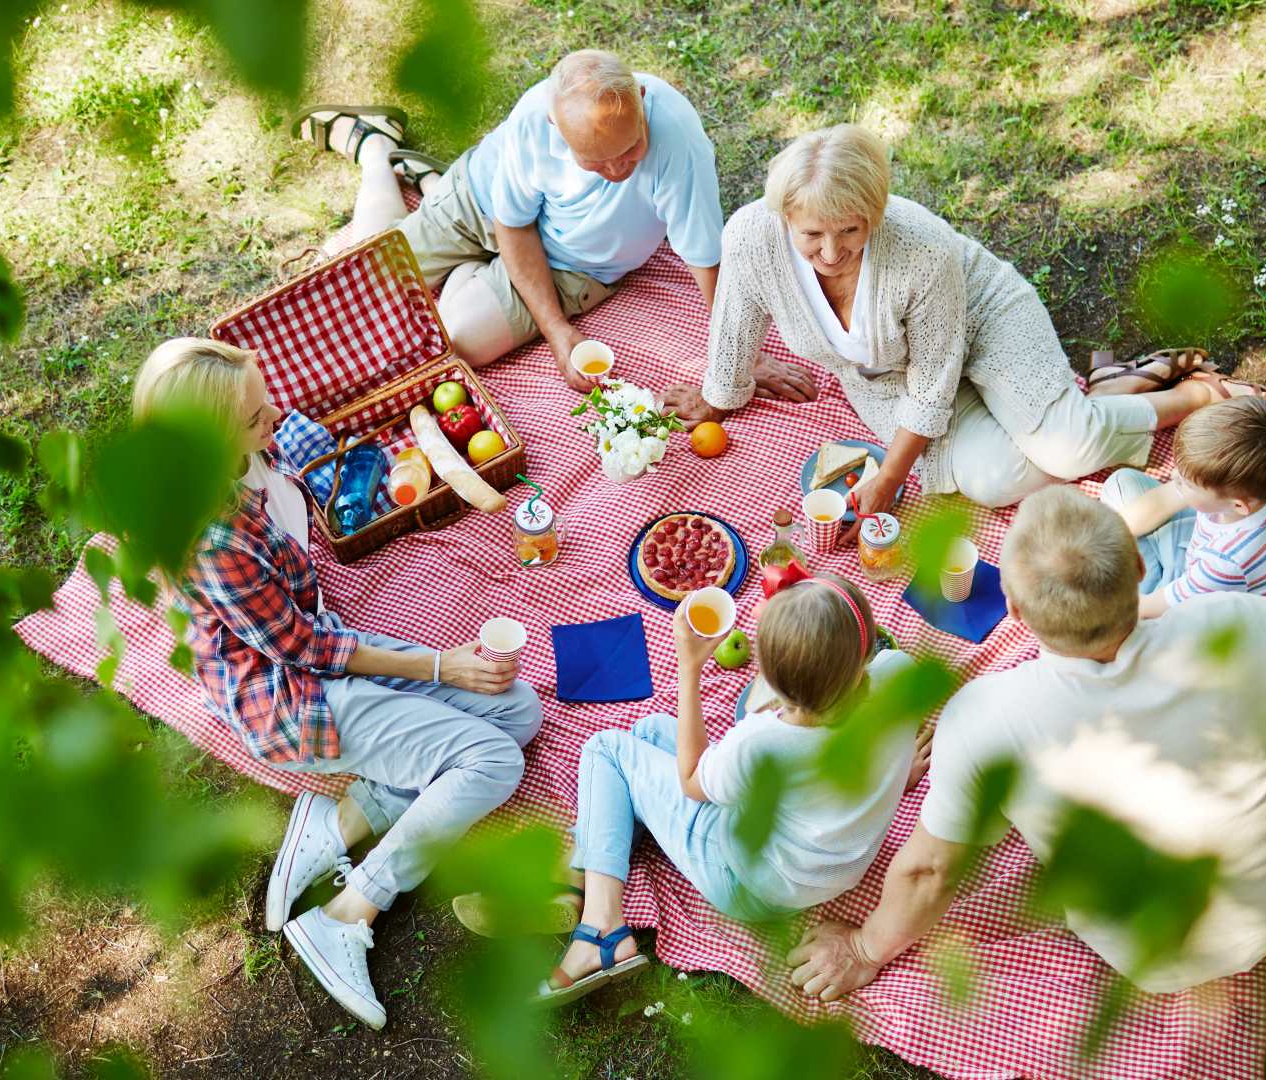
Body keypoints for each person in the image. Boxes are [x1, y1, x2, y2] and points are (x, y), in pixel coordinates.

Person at [785, 488, 1266, 1002]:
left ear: (1016, 610)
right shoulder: (1237, 623)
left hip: (1161, 958)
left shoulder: (985, 720)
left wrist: (863, 947)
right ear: (1136, 567)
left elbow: (926, 868)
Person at [137, 337, 543, 1030]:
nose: (273, 419)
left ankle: (343, 819)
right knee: (492, 758)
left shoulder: (239, 455)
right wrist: (442, 664)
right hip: (288, 695)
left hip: (314, 642)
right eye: (254, 417)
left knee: (518, 709)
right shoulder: (214, 541)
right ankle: (349, 911)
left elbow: (316, 450)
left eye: (264, 402)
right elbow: (307, 650)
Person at [664, 124, 1266, 511]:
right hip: (889, 372)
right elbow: (735, 323)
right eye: (812, 234)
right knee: (995, 481)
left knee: (1068, 445)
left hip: (983, 318)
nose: (831, 252)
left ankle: (1190, 398)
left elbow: (932, 381)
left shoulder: (920, 246)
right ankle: (1107, 388)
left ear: (876, 214)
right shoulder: (750, 237)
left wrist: (891, 477)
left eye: (851, 231)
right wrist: (720, 396)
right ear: (784, 218)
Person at [457, 571, 927, 1005]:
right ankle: (585, 869)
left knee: (607, 750)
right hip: (831, 864)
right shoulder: (901, 675)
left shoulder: (763, 742)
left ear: (777, 689)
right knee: (648, 733)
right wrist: (899, 771)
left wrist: (689, 665)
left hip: (747, 877)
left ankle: (602, 930)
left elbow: (691, 780)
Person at [296, 50, 814, 399]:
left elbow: (707, 263)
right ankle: (377, 151)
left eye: (631, 148)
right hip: (484, 200)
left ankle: (453, 253)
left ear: (639, 98)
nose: (620, 169)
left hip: (576, 263)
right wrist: (558, 331)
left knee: (456, 338)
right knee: (358, 283)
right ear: (556, 128)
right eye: (599, 161)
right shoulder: (531, 124)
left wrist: (741, 356)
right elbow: (514, 227)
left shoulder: (679, 143)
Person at [1099, 396, 1266, 620]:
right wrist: (1106, 537)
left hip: (1236, 625)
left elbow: (1148, 610)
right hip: (1260, 578)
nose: (1172, 475)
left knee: (1125, 602)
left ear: (1238, 505)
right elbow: (1163, 499)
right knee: (1123, 484)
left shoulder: (1226, 562)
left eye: (1187, 482)